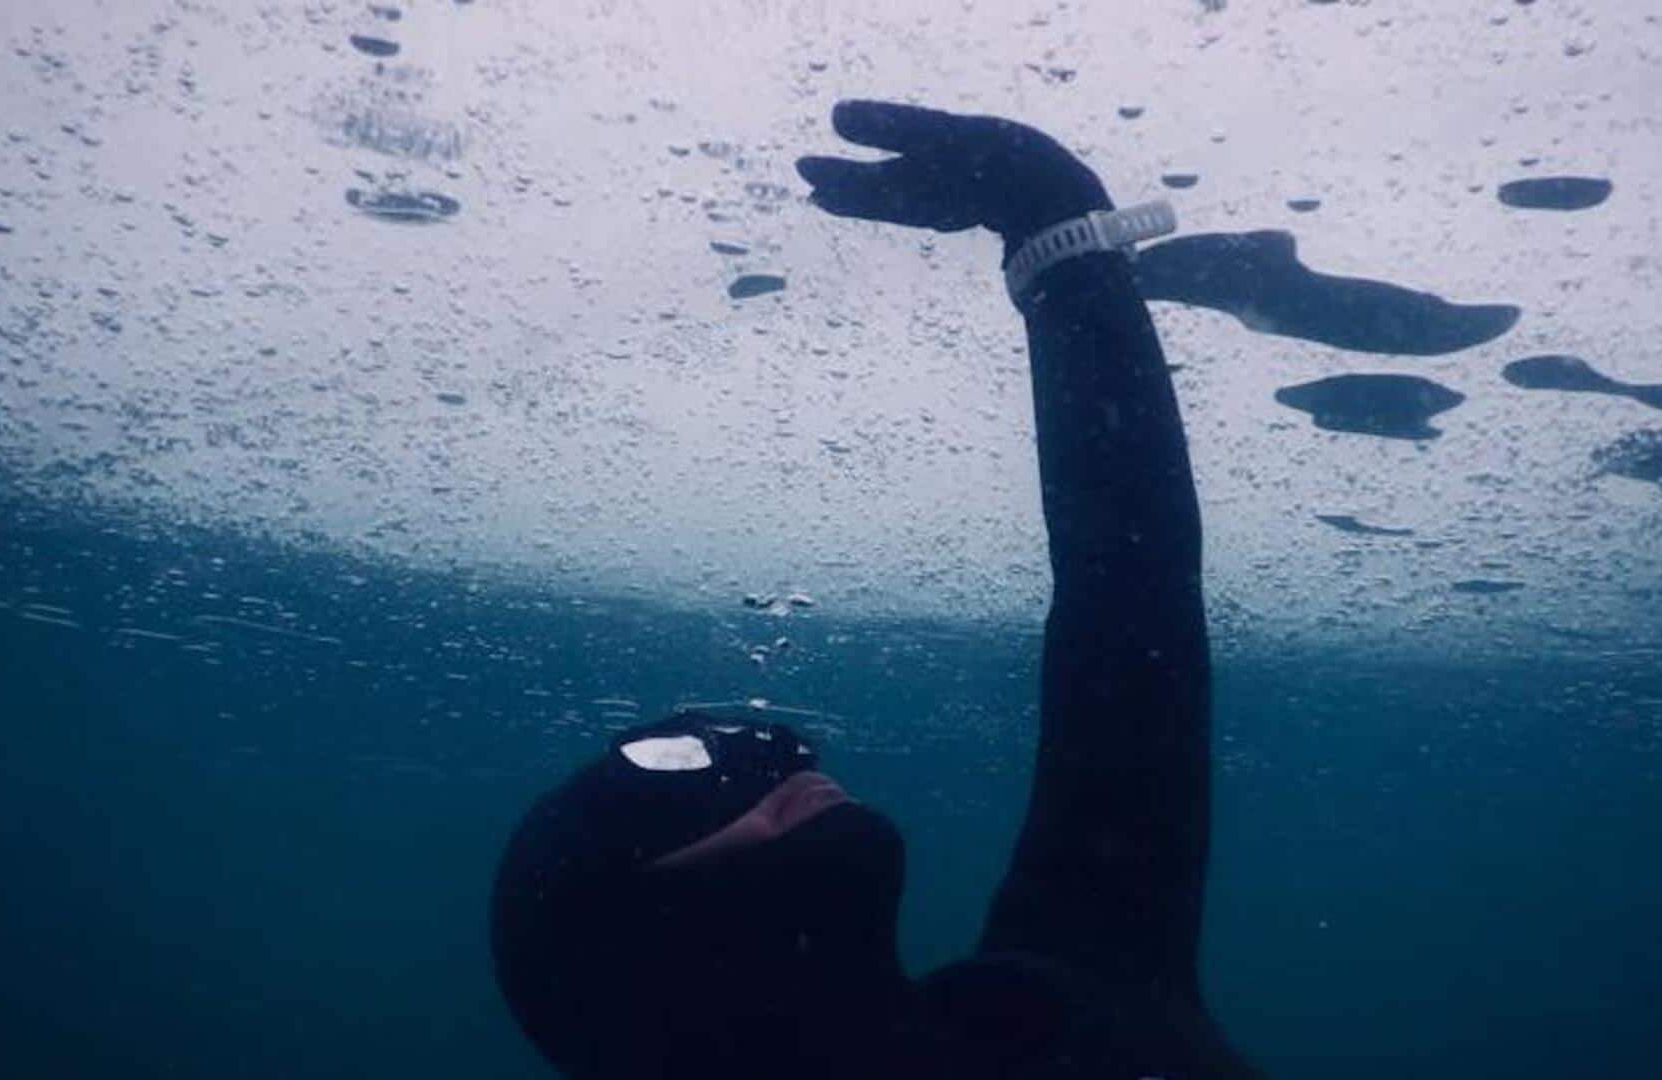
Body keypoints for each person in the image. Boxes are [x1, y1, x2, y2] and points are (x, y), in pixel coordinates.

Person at [490, 99, 1261, 1079]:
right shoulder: (1083, 978)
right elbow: (1131, 592)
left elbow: (1128, 591)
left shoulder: (1054, 991)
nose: (778, 755)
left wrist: (1058, 233)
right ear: (616, 948)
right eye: (675, 781)